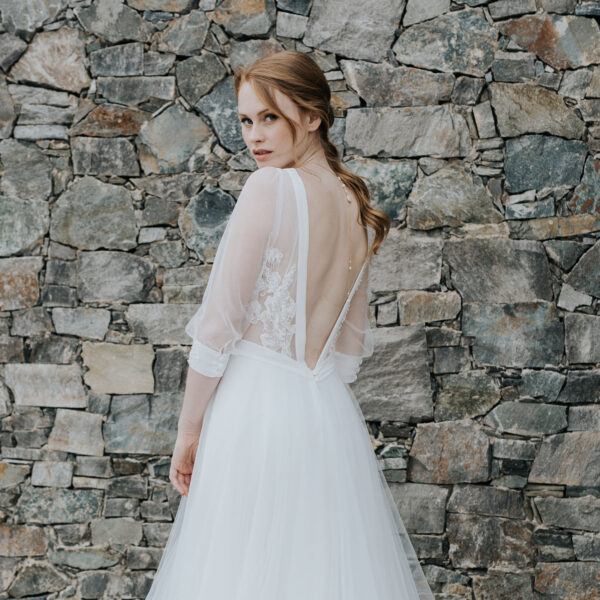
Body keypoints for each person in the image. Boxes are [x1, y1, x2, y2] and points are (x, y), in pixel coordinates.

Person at [145, 50, 434, 600]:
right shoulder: (357, 207)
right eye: (246, 120)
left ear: (312, 117)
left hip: (254, 410)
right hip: (324, 417)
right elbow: (346, 353)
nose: (254, 136)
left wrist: (188, 433)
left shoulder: (271, 188)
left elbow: (218, 326)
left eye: (270, 118)